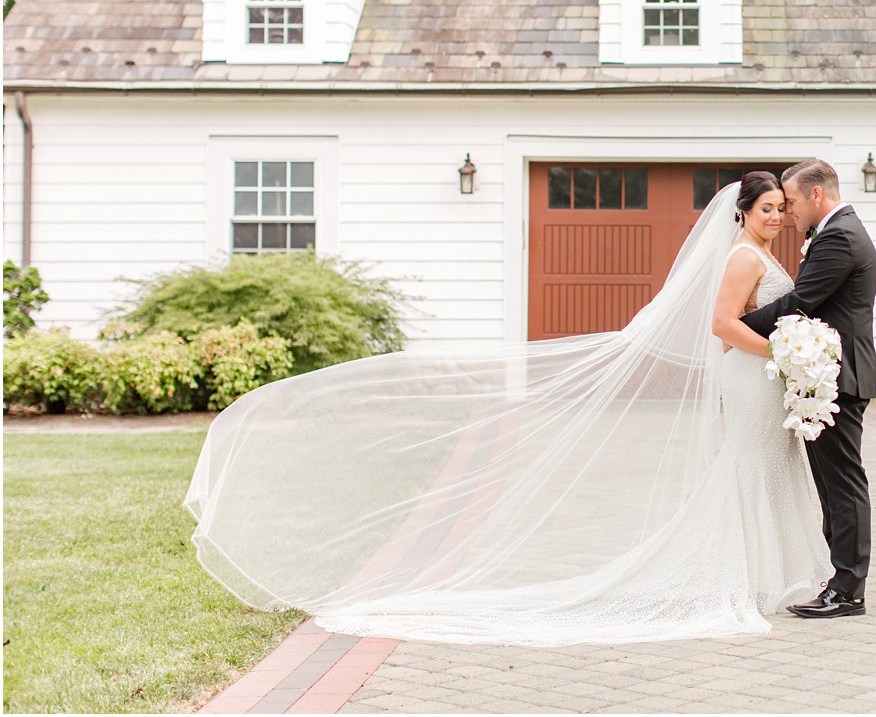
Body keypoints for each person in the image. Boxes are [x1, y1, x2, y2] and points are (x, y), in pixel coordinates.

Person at [183, 173, 832, 645]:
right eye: (767, 207)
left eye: (781, 207)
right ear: (742, 212)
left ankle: (762, 573)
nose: (776, 216)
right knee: (745, 470)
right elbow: (722, 325)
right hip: (751, 375)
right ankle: (742, 577)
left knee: (761, 469)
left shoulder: (762, 253)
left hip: (760, 376)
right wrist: (782, 351)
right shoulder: (744, 255)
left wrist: (784, 353)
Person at [740, 159, 876, 618]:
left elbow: (802, 302)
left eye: (793, 202)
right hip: (827, 378)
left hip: (837, 378)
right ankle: (839, 581)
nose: (788, 213)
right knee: (832, 483)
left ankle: (848, 590)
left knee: (842, 484)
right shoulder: (837, 231)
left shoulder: (839, 235)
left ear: (817, 196)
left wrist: (736, 326)